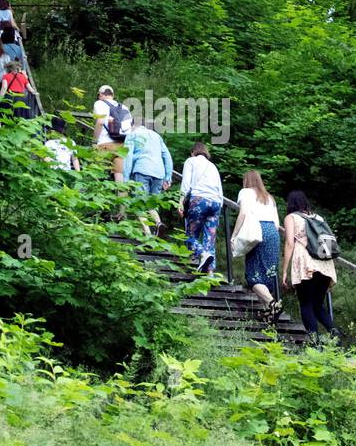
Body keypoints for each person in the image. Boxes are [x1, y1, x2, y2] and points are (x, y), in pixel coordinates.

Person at [282, 190, 340, 344]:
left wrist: (284, 271)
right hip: (325, 265)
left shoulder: (291, 218)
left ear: (290, 203)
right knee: (317, 305)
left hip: (306, 264)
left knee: (306, 304)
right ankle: (335, 334)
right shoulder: (318, 218)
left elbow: (289, 243)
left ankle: (315, 344)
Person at [232, 169, 282, 318]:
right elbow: (277, 224)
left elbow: (243, 213)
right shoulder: (269, 197)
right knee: (268, 272)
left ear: (246, 180)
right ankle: (269, 313)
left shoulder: (245, 192)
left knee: (253, 276)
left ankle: (273, 303)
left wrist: (234, 235)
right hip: (272, 233)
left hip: (256, 232)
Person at [121, 117, 173, 236]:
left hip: (142, 170)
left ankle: (148, 235)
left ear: (133, 125)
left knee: (139, 203)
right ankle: (158, 223)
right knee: (151, 203)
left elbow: (127, 158)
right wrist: (168, 177)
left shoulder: (132, 135)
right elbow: (167, 156)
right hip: (159, 173)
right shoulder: (156, 136)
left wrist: (126, 179)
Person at [178, 142, 223, 273]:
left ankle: (202, 254)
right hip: (215, 202)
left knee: (190, 235)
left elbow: (186, 183)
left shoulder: (191, 161)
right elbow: (220, 190)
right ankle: (210, 273)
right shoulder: (212, 166)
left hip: (199, 200)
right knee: (210, 238)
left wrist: (181, 201)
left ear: (193, 151)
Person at [92, 85, 132, 183]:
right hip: (120, 146)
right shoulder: (124, 107)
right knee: (119, 174)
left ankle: (97, 195)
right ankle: (121, 197)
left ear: (100, 95)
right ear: (112, 95)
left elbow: (100, 122)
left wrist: (94, 141)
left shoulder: (99, 103)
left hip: (104, 144)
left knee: (97, 174)